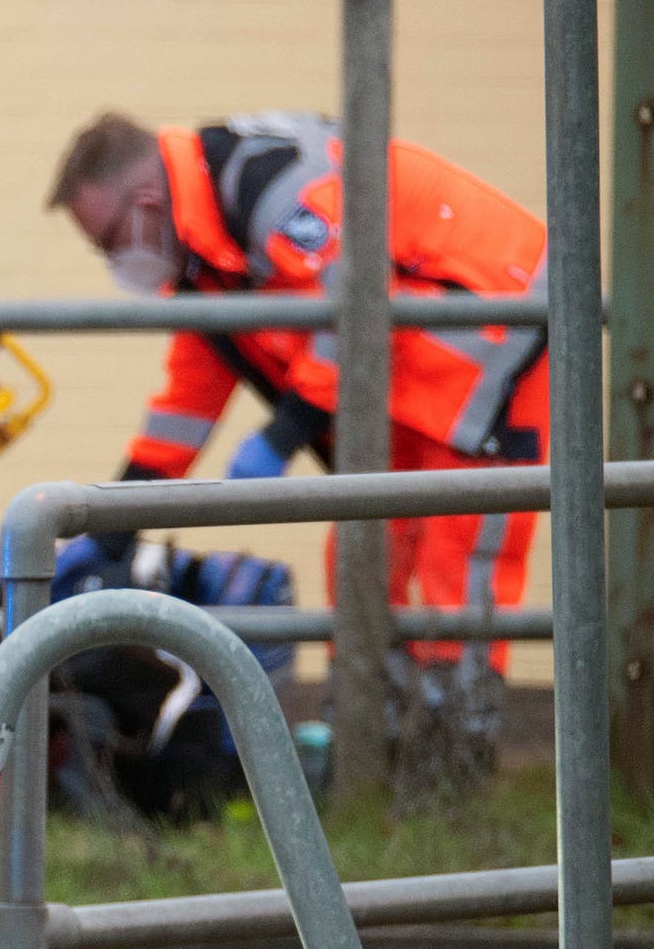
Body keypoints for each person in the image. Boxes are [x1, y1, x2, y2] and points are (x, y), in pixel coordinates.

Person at [45, 111, 549, 669]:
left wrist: (281, 438)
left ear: (146, 205)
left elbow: (354, 312)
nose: (115, 262)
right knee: (361, 560)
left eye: (110, 242)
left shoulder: (269, 188)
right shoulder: (208, 249)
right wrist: (113, 522)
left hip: (497, 333)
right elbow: (188, 401)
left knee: (458, 570)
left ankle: (458, 742)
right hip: (412, 370)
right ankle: (374, 740)